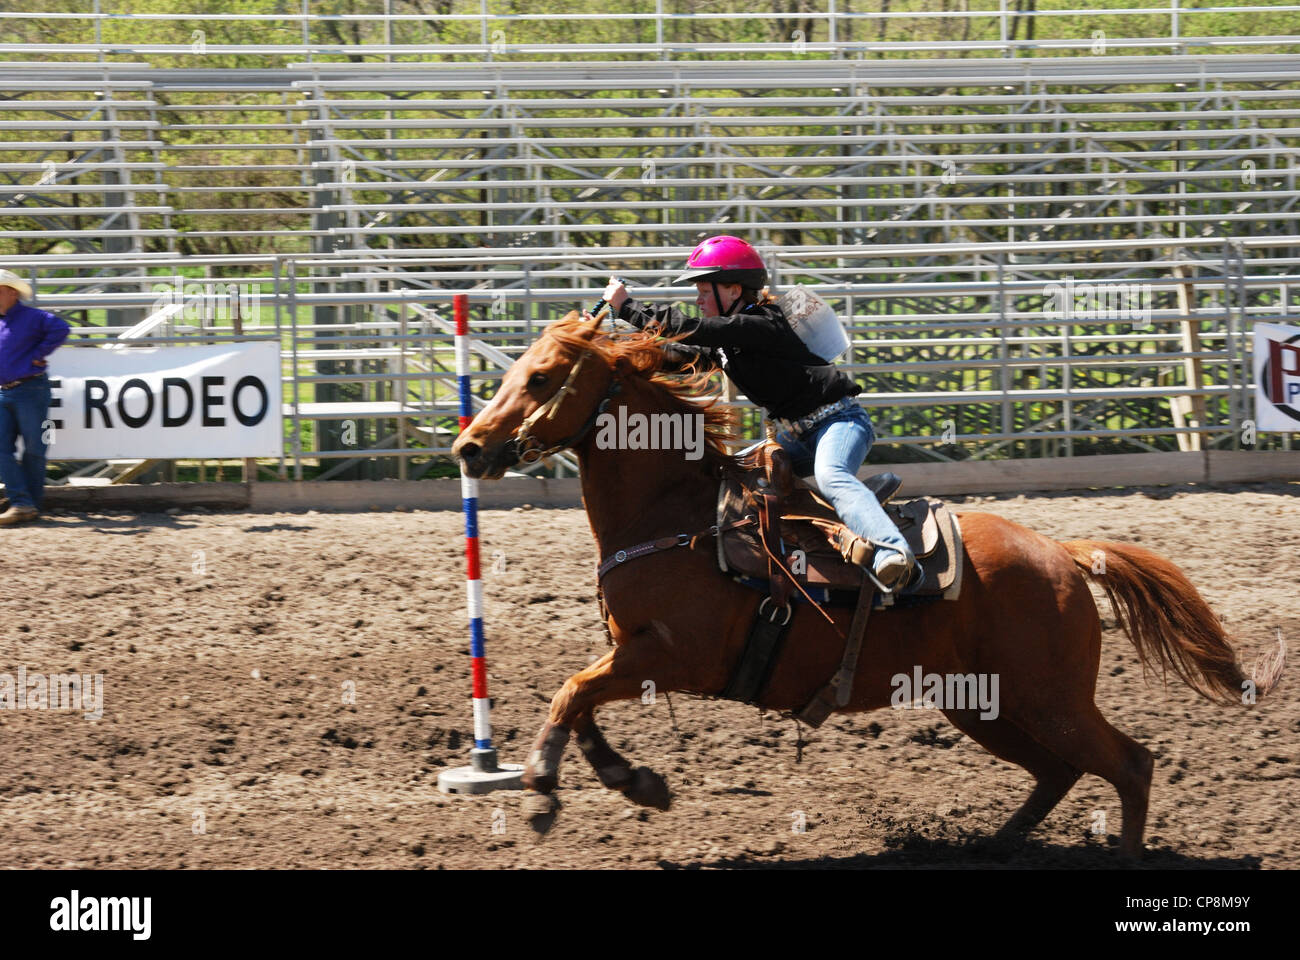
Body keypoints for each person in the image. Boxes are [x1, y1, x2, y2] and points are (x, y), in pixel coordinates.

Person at [593, 235, 917, 591]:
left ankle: (893, 551)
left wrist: (626, 307)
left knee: (831, 474)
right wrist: (613, 353)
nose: (698, 300)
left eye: (704, 290)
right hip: (798, 437)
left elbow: (686, 328)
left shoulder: (761, 324)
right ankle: (828, 524)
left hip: (840, 422)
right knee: (732, 474)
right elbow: (679, 356)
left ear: (733, 290)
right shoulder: (730, 344)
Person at [0, 269, 70, 526]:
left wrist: (40, 353)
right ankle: (23, 501)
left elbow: (61, 328)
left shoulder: (33, 317)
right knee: (11, 449)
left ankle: (25, 503)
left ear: (10, 292)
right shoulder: (5, 320)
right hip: (9, 390)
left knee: (33, 449)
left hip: (30, 390)